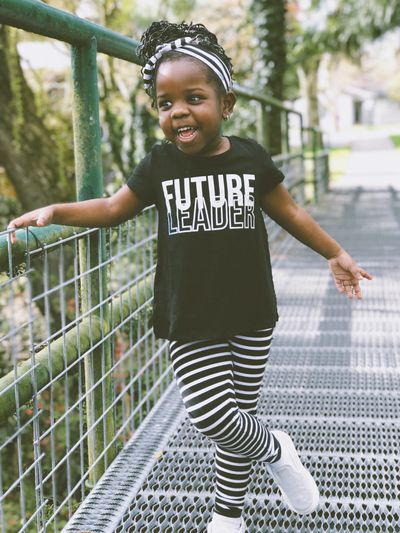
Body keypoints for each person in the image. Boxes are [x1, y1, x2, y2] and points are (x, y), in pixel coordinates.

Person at [8, 21, 372, 533]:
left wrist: (334, 253)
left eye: (193, 98)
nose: (177, 110)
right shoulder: (159, 164)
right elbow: (113, 208)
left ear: (225, 105)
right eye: (164, 102)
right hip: (190, 313)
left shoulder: (250, 158)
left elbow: (290, 213)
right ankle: (278, 449)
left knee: (236, 418)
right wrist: (56, 210)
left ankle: (227, 517)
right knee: (211, 415)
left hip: (250, 311)